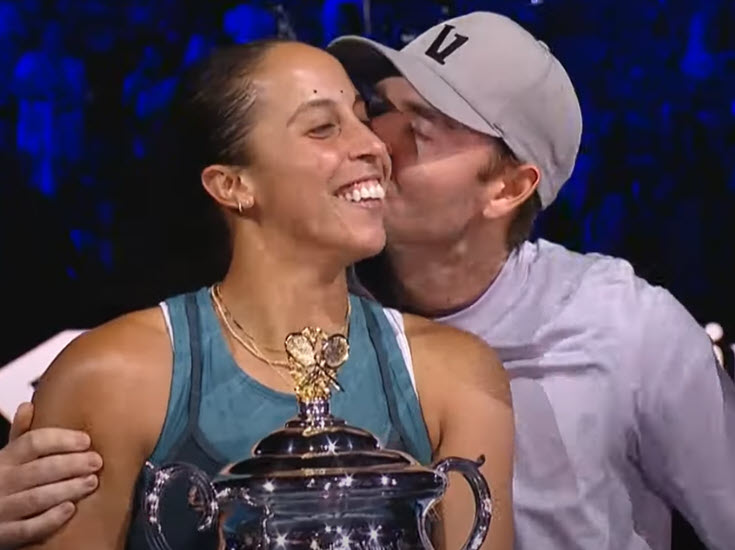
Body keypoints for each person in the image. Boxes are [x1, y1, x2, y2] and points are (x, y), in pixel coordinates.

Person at [10, 40, 513, 550]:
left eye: (365, 118)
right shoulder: (110, 377)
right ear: (232, 185)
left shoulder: (456, 375)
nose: (374, 147)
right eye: (323, 127)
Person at [326, 11, 735, 550]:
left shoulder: (628, 328)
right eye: (380, 109)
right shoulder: (322, 310)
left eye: (419, 131)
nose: (376, 144)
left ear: (507, 188)